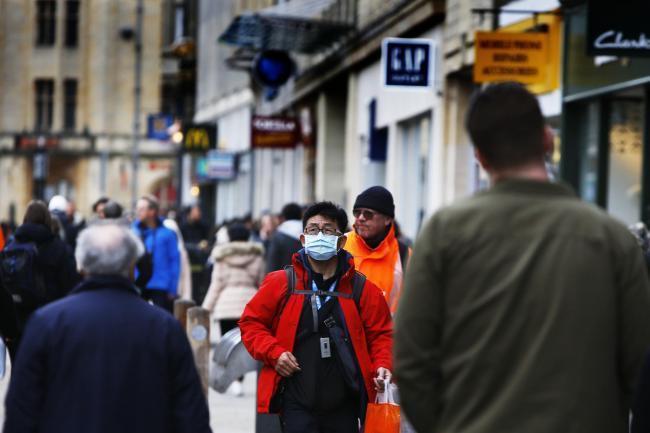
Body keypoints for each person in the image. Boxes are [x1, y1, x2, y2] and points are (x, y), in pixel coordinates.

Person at [394, 82, 650, 433]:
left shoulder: (444, 233)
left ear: (479, 156)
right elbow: (639, 362)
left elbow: (411, 362)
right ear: (548, 140)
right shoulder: (613, 239)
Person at [3, 224, 212, 433]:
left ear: (81, 265)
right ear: (132, 266)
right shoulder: (164, 328)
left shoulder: (47, 323)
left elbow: (21, 409)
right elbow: (191, 416)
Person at [239, 201, 393, 433]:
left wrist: (382, 365)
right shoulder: (282, 282)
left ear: (342, 241)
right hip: (294, 402)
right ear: (303, 239)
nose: (319, 235)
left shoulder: (362, 289)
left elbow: (382, 334)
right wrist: (274, 352)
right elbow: (251, 323)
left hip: (345, 407)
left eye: (328, 229)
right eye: (313, 229)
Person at [0, 200, 80, 362]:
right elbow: (71, 286)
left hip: (16, 321)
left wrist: (7, 329)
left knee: (21, 370)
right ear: (47, 219)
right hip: (51, 320)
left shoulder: (11, 245)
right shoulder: (59, 248)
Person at [202, 222, 265, 396]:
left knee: (227, 345)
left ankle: (231, 381)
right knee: (244, 346)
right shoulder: (257, 256)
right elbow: (262, 284)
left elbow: (216, 286)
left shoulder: (221, 257)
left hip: (226, 306)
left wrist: (205, 310)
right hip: (249, 305)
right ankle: (239, 379)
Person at [344, 186, 410, 314]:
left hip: (385, 333)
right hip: (344, 333)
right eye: (357, 213)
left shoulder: (405, 256)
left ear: (387, 219)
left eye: (368, 214)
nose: (361, 218)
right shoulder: (340, 245)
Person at [132, 195, 180, 312]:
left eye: (142, 209)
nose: (138, 212)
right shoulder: (132, 232)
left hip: (160, 287)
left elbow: (175, 261)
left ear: (152, 211)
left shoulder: (168, 234)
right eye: (137, 209)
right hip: (138, 285)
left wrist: (172, 288)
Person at [265, 203, 303, 273]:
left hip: (283, 279)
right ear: (301, 215)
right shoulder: (307, 233)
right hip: (306, 280)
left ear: (283, 217)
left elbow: (272, 263)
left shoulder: (278, 236)